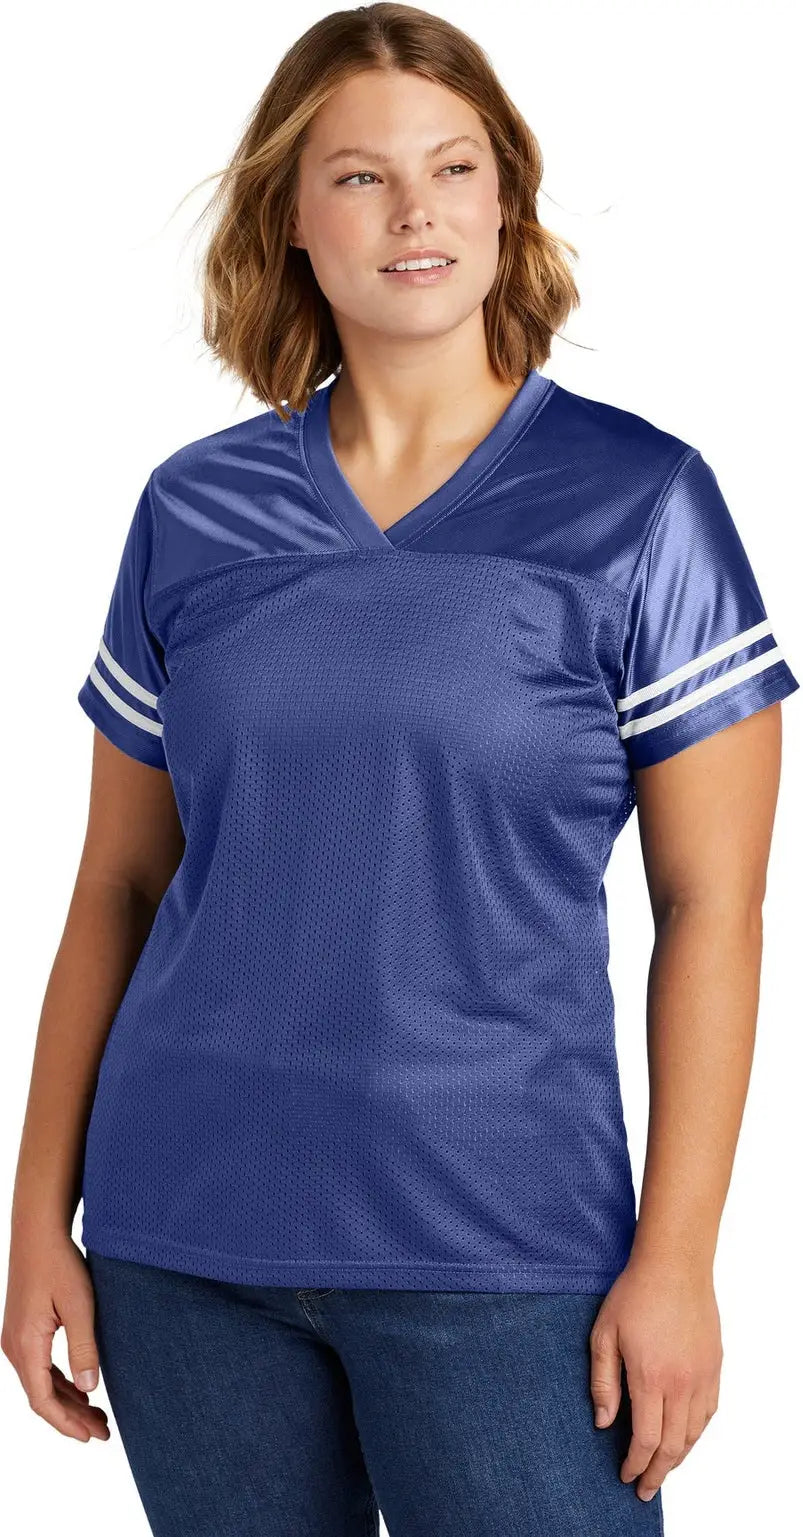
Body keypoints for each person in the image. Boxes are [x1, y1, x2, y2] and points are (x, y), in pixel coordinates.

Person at [3, 5, 799, 1534]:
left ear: (507, 199)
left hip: (503, 1249)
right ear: (294, 220)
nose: (414, 210)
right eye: (361, 176)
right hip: (185, 1246)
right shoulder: (194, 511)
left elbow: (715, 906)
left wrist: (680, 1256)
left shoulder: (641, 506)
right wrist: (39, 1214)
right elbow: (117, 883)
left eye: (454, 167)